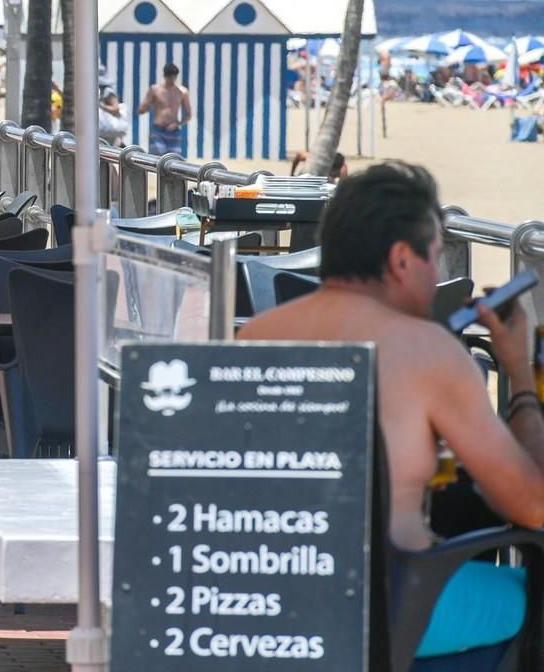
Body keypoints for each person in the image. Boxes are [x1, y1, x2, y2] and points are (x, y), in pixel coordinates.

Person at [239, 163, 544, 661]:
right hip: (392, 605)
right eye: (434, 255)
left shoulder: (254, 335)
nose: (436, 274)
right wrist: (521, 376)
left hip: (272, 599)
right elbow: (532, 505)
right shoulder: (427, 350)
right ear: (402, 259)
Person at [138, 61, 192, 156]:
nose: (172, 79)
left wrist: (178, 123)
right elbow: (143, 107)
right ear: (165, 76)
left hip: (173, 130)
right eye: (169, 76)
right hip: (158, 129)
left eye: (174, 76)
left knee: (173, 160)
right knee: (156, 158)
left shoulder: (182, 92)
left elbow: (188, 114)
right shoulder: (155, 89)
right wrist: (144, 108)